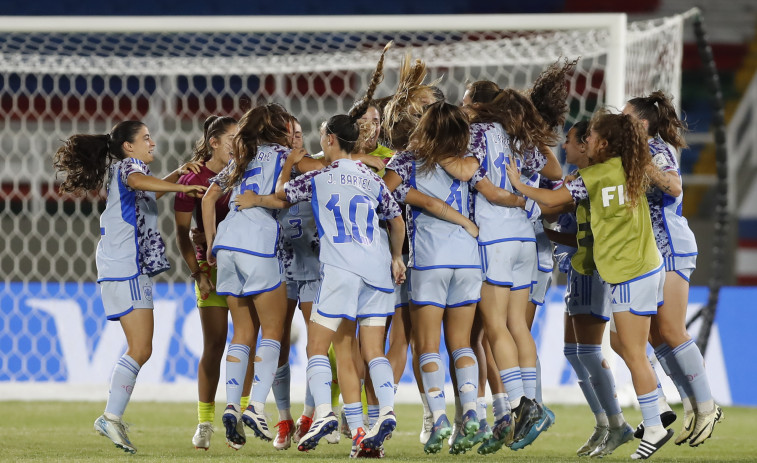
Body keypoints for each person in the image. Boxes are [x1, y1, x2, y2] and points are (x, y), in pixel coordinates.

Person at [507, 110, 674, 460]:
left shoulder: (593, 176)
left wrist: (518, 184)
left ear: (603, 143)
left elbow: (552, 201)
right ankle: (656, 401)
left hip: (628, 270)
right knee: (620, 343)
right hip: (646, 265)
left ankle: (654, 423)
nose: (586, 143)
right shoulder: (631, 166)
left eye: (592, 137)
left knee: (629, 349)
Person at [53, 121, 207, 454]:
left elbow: (146, 188)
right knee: (140, 348)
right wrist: (181, 188)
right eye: (146, 138)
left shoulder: (126, 169)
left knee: (142, 348)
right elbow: (138, 180)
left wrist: (177, 175)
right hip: (126, 266)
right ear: (128, 146)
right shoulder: (130, 167)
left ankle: (111, 416)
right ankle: (109, 417)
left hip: (123, 264)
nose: (153, 142)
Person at [274, 113, 407, 457]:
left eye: (322, 137)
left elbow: (282, 193)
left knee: (317, 347)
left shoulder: (319, 178)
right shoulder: (373, 180)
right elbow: (396, 220)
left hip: (340, 268)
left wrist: (289, 164)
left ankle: (322, 416)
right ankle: (374, 422)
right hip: (377, 270)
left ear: (331, 139)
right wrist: (396, 257)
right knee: (366, 350)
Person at [200, 103, 320, 450]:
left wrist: (211, 244)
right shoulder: (286, 155)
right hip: (257, 243)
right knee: (273, 329)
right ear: (280, 128)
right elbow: (287, 195)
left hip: (227, 244)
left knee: (243, 332)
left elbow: (209, 198)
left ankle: (231, 407)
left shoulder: (241, 159)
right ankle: (256, 407)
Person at [383, 101, 483, 455]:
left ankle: (438, 416)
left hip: (429, 259)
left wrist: (413, 195)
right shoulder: (471, 162)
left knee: (427, 344)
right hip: (469, 259)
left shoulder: (408, 160)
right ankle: (471, 412)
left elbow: (385, 194)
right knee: (462, 343)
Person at [623, 91, 722, 447]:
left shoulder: (657, 150)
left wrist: (644, 165)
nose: (622, 122)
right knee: (654, 335)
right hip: (649, 253)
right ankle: (691, 402)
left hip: (671, 246)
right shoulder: (632, 153)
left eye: (627, 117)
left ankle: (708, 405)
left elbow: (675, 185)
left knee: (671, 329)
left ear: (643, 124)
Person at [545, 120, 633, 457]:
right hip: (576, 270)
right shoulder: (578, 181)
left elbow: (587, 235)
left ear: (586, 145)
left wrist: (541, 226)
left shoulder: (593, 182)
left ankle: (617, 423)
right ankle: (602, 422)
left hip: (591, 269)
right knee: (573, 352)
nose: (564, 147)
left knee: (589, 352)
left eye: (569, 141)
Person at [174, 115, 243, 450]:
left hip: (245, 269)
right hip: (211, 269)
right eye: (231, 137)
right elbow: (182, 236)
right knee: (215, 345)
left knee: (246, 344)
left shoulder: (246, 170)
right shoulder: (193, 179)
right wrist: (198, 273)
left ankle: (239, 416)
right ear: (214, 141)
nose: (237, 143)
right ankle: (204, 423)